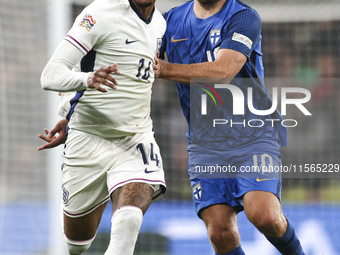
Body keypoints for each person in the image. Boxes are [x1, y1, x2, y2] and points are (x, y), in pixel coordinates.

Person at [153, 0, 305, 254]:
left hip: (252, 133)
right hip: (204, 143)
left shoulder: (243, 17)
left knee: (265, 215)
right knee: (220, 232)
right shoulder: (168, 21)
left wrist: (163, 68)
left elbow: (222, 72)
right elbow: (136, 61)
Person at [39, 0, 166, 254]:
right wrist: (84, 85)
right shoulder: (100, 13)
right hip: (87, 138)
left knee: (129, 219)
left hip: (135, 138)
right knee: (77, 245)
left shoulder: (160, 25)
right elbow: (50, 75)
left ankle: (123, 184)